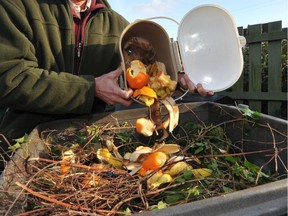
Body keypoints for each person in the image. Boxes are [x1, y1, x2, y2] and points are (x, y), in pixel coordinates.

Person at [0, 0, 213, 168]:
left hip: (94, 149)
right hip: (25, 150)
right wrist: (90, 89)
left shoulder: (117, 26)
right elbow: (10, 78)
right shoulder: (17, 6)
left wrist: (178, 80)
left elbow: (144, 77)